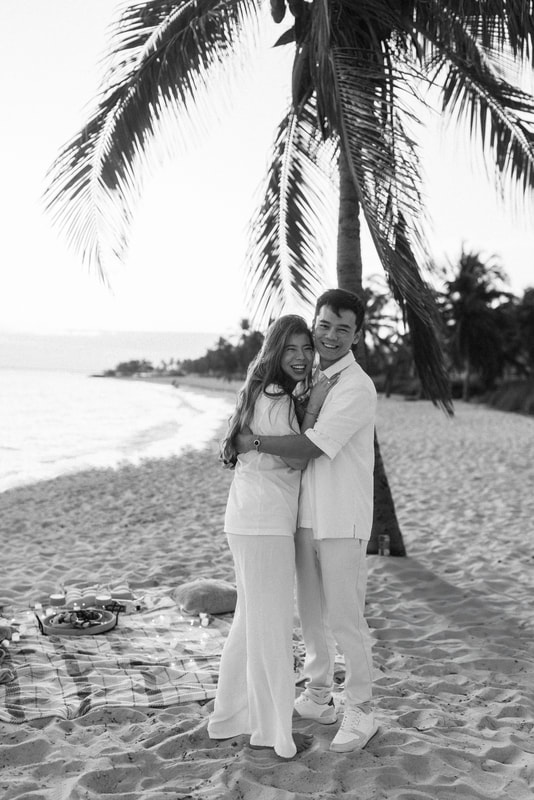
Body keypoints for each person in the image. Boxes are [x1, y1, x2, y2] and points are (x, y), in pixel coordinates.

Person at [237, 289, 378, 753]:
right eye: (325, 326)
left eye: (343, 329)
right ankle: (319, 695)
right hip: (305, 518)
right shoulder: (312, 378)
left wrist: (253, 442)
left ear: (357, 335)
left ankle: (360, 708)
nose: (331, 336)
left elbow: (310, 446)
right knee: (312, 617)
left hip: (342, 519)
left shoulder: (355, 386)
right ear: (314, 326)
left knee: (344, 618)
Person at [207, 314, 335, 759]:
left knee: (249, 623)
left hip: (247, 519)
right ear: (276, 352)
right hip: (263, 524)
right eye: (291, 349)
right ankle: (274, 731)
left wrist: (260, 439)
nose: (301, 358)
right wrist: (315, 408)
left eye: (306, 349)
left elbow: (262, 446)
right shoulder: (278, 398)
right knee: (274, 627)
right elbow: (300, 460)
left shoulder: (262, 392)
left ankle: (228, 717)